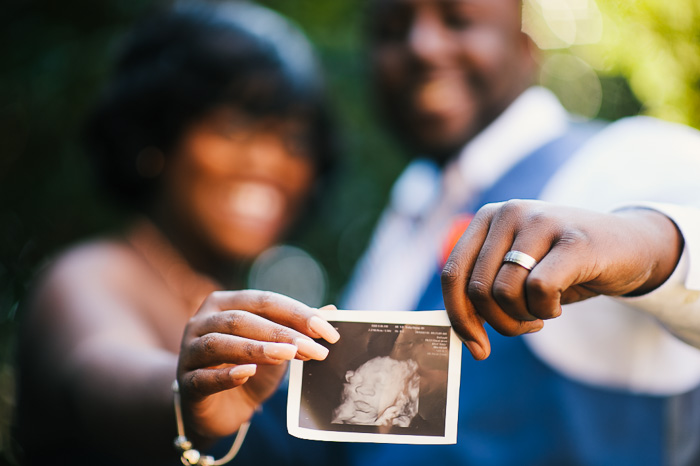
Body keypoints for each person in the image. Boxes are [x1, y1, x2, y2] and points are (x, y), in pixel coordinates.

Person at [342, 0, 700, 464]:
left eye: (458, 20)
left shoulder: (625, 158)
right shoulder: (411, 204)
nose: (421, 46)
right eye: (391, 30)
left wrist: (651, 248)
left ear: (527, 48)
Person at [13, 2, 346, 465]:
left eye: (294, 139)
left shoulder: (234, 303)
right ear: (157, 137)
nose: (270, 162)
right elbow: (99, 370)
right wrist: (184, 402)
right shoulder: (87, 276)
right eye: (234, 127)